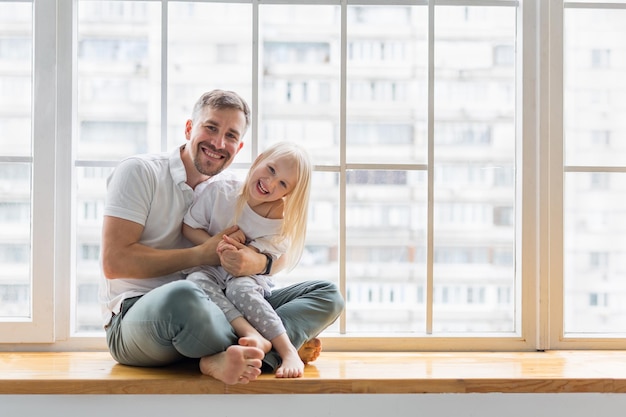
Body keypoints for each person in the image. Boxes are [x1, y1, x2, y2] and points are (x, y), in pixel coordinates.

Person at [98, 89, 344, 385]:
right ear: (190, 128)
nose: (218, 143)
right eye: (211, 128)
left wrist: (258, 262)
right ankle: (274, 347)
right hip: (141, 314)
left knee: (327, 294)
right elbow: (115, 262)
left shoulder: (232, 189)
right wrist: (204, 252)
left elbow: (282, 251)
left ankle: (246, 351)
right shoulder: (140, 171)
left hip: (218, 304)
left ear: (239, 148)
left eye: (230, 136)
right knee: (185, 293)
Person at [183, 141, 312, 378]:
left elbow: (266, 258)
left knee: (239, 289)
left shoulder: (278, 218)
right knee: (194, 281)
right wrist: (218, 243)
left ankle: (287, 351)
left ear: (288, 193)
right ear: (259, 159)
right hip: (210, 270)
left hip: (245, 278)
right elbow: (189, 228)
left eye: (283, 183)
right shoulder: (220, 190)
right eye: (271, 170)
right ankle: (252, 335)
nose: (270, 183)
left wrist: (248, 250)